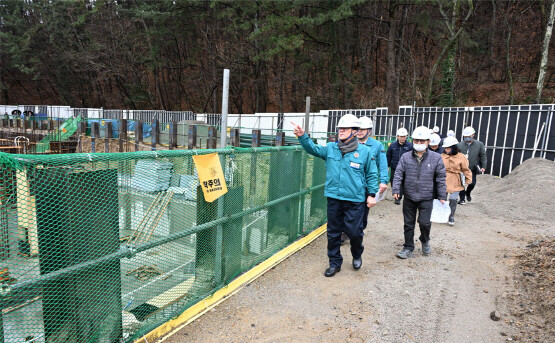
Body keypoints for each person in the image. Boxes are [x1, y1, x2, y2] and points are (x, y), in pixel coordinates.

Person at [291, 114, 378, 277]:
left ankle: (357, 253)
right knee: (333, 232)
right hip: (334, 198)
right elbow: (314, 149)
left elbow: (372, 174)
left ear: (354, 131)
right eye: (340, 128)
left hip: (355, 199)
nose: (341, 131)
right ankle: (334, 262)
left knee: (354, 232)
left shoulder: (365, 152)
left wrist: (372, 194)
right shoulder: (331, 148)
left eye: (345, 129)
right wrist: (302, 136)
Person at [392, 126, 447, 259]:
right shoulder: (405, 157)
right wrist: (396, 189)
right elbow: (398, 174)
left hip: (426, 196)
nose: (419, 144)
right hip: (409, 195)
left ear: (428, 141)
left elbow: (440, 177)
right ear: (413, 141)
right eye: (416, 141)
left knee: (425, 222)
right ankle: (408, 246)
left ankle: (424, 239)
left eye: (422, 141)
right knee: (408, 223)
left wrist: (442, 195)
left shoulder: (436, 158)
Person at [356, 116, 388, 228]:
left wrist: (384, 181)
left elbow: (383, 165)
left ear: (369, 131)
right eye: (357, 129)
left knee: (363, 211)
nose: (359, 132)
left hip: (367, 185)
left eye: (362, 130)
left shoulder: (377, 145)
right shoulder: (351, 143)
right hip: (352, 183)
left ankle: (358, 230)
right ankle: (346, 232)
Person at [441, 137, 472, 225]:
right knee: (442, 198)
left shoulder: (461, 157)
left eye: (448, 148)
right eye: (445, 148)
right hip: (443, 179)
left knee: (453, 199)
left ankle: (451, 216)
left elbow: (466, 169)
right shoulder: (441, 156)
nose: (446, 150)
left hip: (456, 179)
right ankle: (442, 214)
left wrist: (468, 179)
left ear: (453, 147)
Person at [457, 126, 487, 205]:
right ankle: (462, 199)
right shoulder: (459, 145)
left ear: (473, 135)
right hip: (461, 168)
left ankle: (468, 192)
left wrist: (483, 166)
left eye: (469, 136)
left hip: (472, 168)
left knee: (472, 183)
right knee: (461, 183)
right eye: (466, 136)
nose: (467, 138)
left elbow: (483, 156)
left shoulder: (479, 144)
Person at [386, 128, 413, 205]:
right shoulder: (392, 145)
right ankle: (397, 197)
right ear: (397, 136)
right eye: (401, 136)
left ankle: (405, 196)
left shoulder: (410, 146)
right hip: (395, 167)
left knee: (405, 182)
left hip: (406, 168)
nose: (403, 138)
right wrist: (387, 166)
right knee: (394, 182)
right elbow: (388, 157)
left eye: (404, 136)